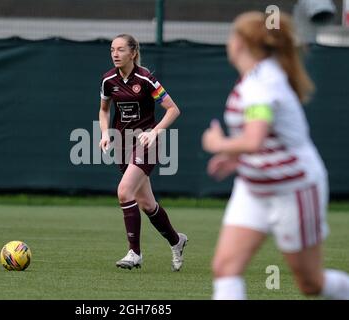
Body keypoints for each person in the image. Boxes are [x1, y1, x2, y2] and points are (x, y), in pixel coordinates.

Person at [202, 11, 349, 299]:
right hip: (254, 188)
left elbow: (254, 139)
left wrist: (219, 143)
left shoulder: (261, 83)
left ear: (241, 43)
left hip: (294, 189)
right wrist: (236, 159)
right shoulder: (253, 77)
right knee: (225, 268)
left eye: (232, 35)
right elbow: (263, 139)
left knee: (311, 284)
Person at [99, 34, 187, 271]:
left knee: (124, 191)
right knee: (147, 204)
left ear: (133, 53)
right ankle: (176, 240)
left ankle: (134, 253)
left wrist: (154, 132)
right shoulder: (108, 80)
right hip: (122, 145)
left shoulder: (145, 78)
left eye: (120, 50)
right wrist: (105, 133)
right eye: (112, 50)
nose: (115, 54)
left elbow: (173, 109)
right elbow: (104, 110)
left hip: (146, 144)